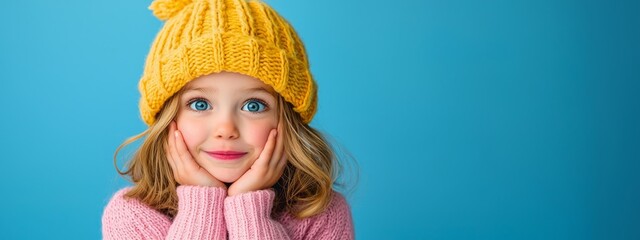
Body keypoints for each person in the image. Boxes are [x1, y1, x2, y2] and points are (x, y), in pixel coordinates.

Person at [101, 0, 355, 239]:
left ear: (286, 120)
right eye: (199, 104)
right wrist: (202, 202)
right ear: (168, 119)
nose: (226, 129)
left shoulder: (322, 214)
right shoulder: (131, 215)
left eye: (253, 105)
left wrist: (249, 209)